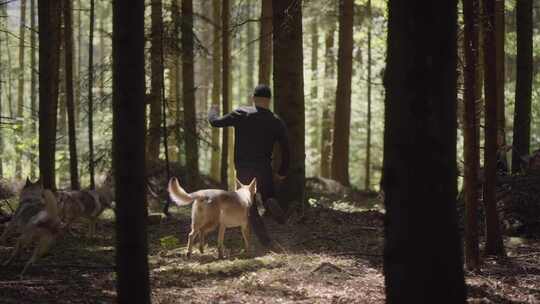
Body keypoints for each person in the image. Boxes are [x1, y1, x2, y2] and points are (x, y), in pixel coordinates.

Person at [208, 84, 289, 247]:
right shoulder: (276, 121)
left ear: (253, 98)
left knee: (249, 207)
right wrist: (282, 171)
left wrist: (213, 110)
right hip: (264, 167)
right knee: (268, 195)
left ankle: (266, 242)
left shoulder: (241, 113)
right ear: (269, 101)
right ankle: (270, 203)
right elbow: (286, 148)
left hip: (244, 168)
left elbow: (215, 122)